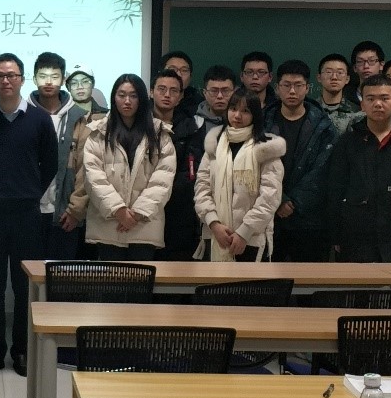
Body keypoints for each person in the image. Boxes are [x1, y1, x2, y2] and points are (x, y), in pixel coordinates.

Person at [0, 53, 57, 376]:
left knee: (24, 286)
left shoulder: (39, 120)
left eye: (12, 75)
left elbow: (50, 164)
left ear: (22, 79)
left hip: (26, 214)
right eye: (0, 76)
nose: (6, 80)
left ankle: (21, 350)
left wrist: (29, 190)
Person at [326, 74, 391, 263]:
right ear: (362, 105)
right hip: (356, 238)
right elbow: (334, 189)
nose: (377, 104)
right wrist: (335, 235)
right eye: (370, 99)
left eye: (384, 98)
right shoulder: (347, 143)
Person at [69, 74, 175, 261]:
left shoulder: (160, 134)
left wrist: (137, 214)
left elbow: (163, 180)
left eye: (133, 96)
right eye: (122, 95)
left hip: (144, 225)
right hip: (108, 224)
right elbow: (93, 178)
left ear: (142, 99)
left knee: (141, 279)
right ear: (114, 97)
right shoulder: (98, 133)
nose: (127, 101)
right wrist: (119, 210)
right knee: (112, 279)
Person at [194, 87, 285, 261]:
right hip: (215, 235)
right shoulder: (214, 145)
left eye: (245, 111)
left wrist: (244, 232)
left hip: (251, 239)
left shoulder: (266, 148)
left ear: (255, 115)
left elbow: (270, 197)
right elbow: (202, 188)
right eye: (233, 109)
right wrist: (214, 223)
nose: (237, 115)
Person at [264, 60, 335, 262]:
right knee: (267, 277)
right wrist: (279, 199)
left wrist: (293, 201)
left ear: (308, 88)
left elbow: (322, 170)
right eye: (286, 85)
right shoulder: (262, 123)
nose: (292, 91)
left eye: (298, 85)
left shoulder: (323, 126)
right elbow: (255, 167)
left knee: (309, 277)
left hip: (310, 220)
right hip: (268, 216)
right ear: (277, 87)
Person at [29, 51, 85, 259]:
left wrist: (75, 210)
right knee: (29, 273)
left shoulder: (79, 117)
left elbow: (86, 169)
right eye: (43, 76)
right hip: (29, 211)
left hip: (65, 213)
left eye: (54, 76)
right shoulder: (23, 114)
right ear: (34, 79)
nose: (48, 82)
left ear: (63, 79)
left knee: (61, 274)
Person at [150, 68, 200, 261]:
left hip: (178, 210)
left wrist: (164, 191)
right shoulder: (139, 125)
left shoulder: (190, 127)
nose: (167, 95)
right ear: (151, 92)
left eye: (173, 91)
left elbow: (191, 171)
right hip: (143, 208)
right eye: (161, 89)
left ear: (180, 97)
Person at [316, 53, 358, 136]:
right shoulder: (309, 109)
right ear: (319, 77)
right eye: (328, 72)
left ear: (347, 79)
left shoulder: (357, 111)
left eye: (340, 72)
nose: (334, 77)